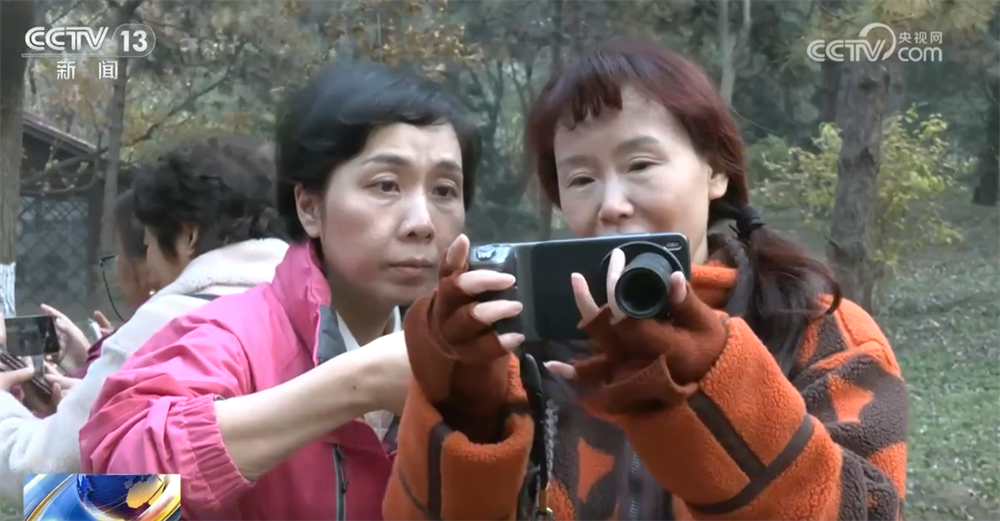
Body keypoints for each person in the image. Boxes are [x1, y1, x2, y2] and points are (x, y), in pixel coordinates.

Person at [385, 40, 908, 521]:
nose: (612, 205)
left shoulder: (817, 325)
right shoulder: (522, 344)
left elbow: (868, 511)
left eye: (640, 164)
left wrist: (711, 387)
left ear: (715, 172)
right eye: (582, 179)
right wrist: (464, 405)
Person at [80, 62, 480, 521]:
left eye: (444, 191)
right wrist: (356, 386)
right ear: (309, 207)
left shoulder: (472, 352)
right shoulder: (224, 336)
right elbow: (102, 499)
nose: (422, 223)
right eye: (386, 185)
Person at [0, 137, 288, 509]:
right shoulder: (309, 307)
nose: (150, 269)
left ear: (188, 236)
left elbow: (42, 474)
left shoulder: (169, 323)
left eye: (149, 245)